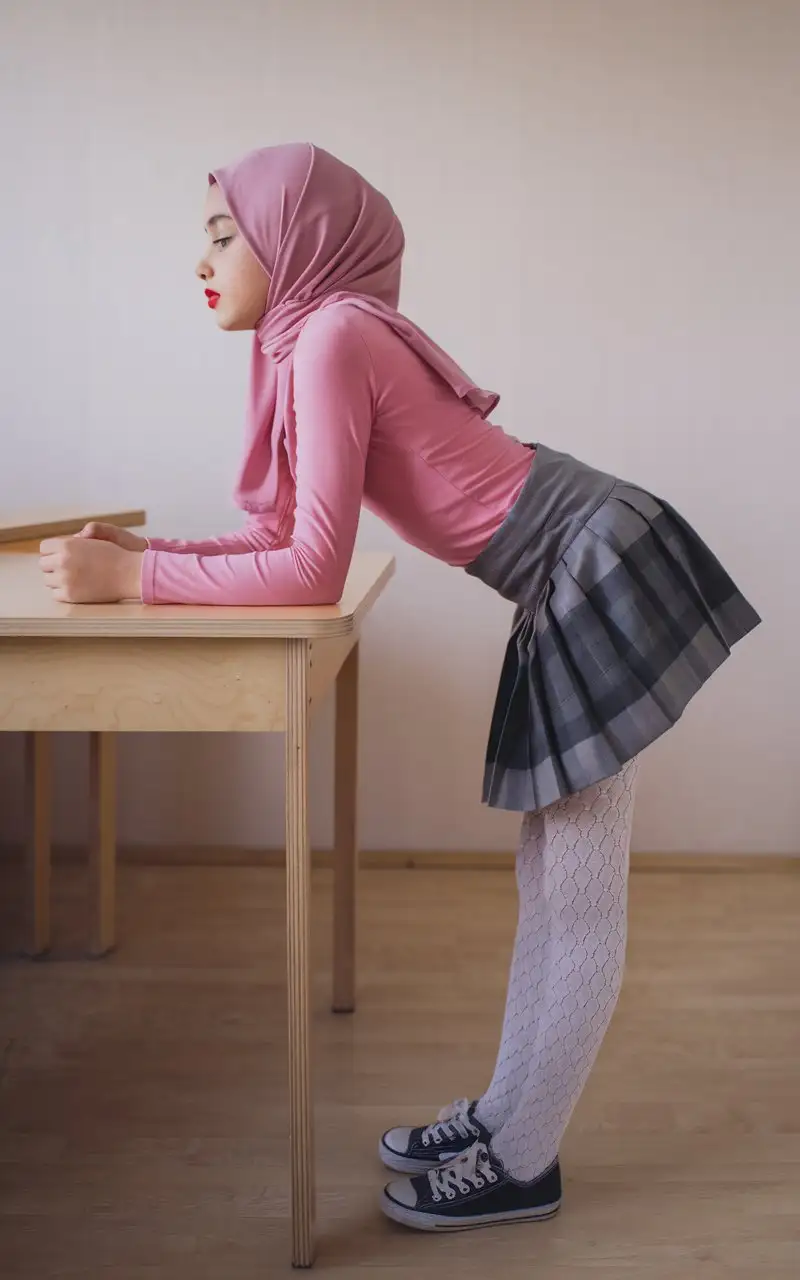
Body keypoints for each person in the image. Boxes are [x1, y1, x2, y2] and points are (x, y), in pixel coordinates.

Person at [38, 143, 760, 1232]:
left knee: (575, 892)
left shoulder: (329, 336)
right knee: (547, 876)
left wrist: (136, 577)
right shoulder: (318, 339)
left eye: (224, 232)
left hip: (590, 555)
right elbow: (276, 536)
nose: (201, 255)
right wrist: (135, 560)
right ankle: (506, 1118)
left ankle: (524, 1160)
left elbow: (305, 574)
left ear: (296, 239)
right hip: (573, 559)